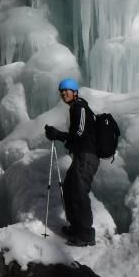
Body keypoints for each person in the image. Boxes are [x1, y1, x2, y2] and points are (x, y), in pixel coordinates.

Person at [44, 78, 100, 246]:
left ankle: (85, 234)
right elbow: (77, 136)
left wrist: (58, 135)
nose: (63, 93)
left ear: (75, 92)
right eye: (61, 91)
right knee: (69, 188)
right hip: (81, 155)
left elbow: (80, 132)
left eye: (66, 90)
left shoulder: (80, 107)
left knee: (79, 192)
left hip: (87, 157)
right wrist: (60, 136)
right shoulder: (74, 108)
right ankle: (76, 227)